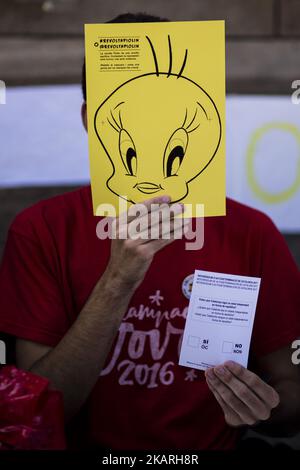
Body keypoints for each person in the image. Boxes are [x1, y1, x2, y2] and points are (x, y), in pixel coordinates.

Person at [0, 12, 300, 450]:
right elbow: (38, 413)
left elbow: (291, 394)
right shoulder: (41, 230)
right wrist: (119, 277)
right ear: (92, 121)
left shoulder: (251, 232)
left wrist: (265, 406)